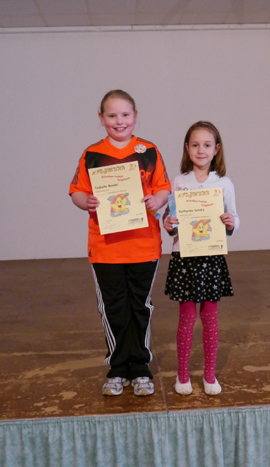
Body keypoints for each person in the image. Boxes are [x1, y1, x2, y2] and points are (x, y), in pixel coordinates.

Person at [69, 90, 170, 397]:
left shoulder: (149, 151)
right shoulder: (91, 154)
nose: (119, 121)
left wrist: (157, 201)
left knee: (140, 307)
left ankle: (139, 368)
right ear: (101, 119)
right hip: (105, 248)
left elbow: (163, 189)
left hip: (144, 246)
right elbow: (76, 192)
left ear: (135, 116)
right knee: (113, 308)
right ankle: (117, 368)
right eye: (112, 115)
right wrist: (85, 201)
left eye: (125, 114)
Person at [163, 121, 240, 396]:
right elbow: (170, 218)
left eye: (207, 145)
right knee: (186, 318)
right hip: (185, 256)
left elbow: (234, 216)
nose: (201, 150)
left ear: (216, 149)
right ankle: (182, 375)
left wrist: (231, 222)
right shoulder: (179, 181)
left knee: (210, 317)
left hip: (212, 257)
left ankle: (209, 374)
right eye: (195, 144)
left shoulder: (224, 183)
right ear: (187, 148)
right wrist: (168, 224)